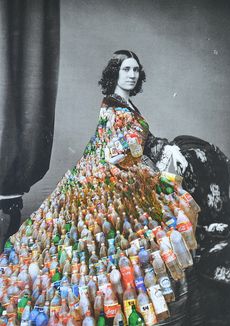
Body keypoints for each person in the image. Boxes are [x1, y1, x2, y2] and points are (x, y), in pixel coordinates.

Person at [0, 50, 200, 324]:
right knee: (99, 242)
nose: (132, 75)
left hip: (125, 173)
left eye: (136, 70)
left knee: (148, 226)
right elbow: (110, 150)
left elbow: (144, 139)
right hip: (103, 179)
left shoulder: (127, 105)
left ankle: (134, 296)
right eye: (126, 69)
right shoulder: (111, 104)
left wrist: (168, 147)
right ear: (115, 72)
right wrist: (129, 151)